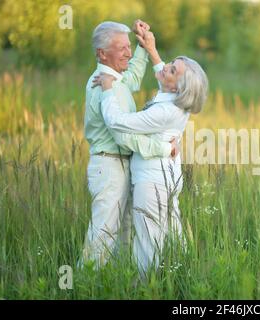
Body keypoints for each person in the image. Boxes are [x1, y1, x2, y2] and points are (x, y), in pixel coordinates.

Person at [92, 29, 208, 274]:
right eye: (171, 64)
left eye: (173, 70)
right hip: (168, 179)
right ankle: (189, 276)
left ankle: (145, 288)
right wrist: (151, 48)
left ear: (179, 87)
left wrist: (107, 89)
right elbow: (161, 74)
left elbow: (117, 121)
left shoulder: (164, 112)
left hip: (153, 183)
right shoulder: (173, 97)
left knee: (147, 245)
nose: (166, 68)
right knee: (174, 236)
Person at [81, 20, 178, 268]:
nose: (127, 52)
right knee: (103, 234)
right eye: (121, 48)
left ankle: (113, 288)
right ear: (102, 53)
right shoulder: (103, 86)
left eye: (128, 46)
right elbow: (123, 135)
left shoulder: (114, 79)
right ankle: (84, 287)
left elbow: (133, 76)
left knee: (122, 235)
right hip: (109, 165)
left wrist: (142, 45)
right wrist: (164, 149)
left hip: (121, 165)